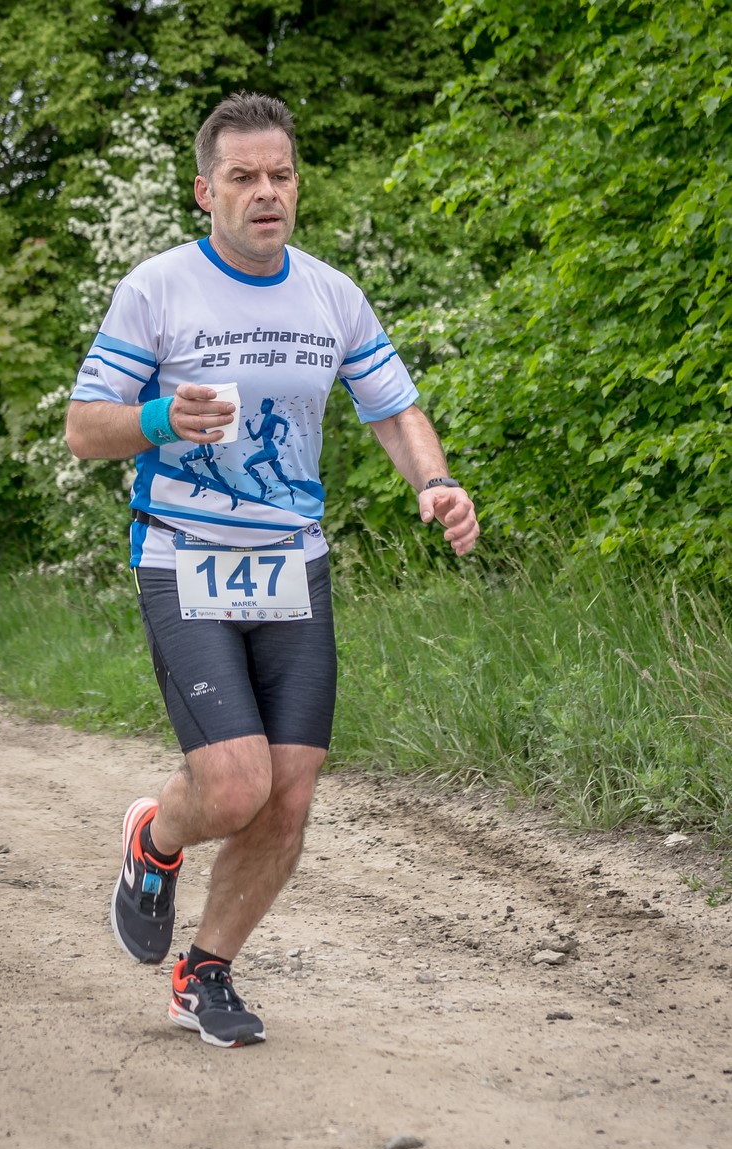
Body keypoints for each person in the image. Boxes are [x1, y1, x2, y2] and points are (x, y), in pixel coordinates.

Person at [65, 91, 479, 1049]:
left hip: (294, 564)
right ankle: (154, 839)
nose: (265, 192)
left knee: (288, 795)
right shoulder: (157, 289)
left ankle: (204, 974)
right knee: (234, 786)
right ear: (204, 191)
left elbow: (393, 408)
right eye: (243, 177)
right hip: (183, 557)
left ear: (298, 185)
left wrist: (437, 481)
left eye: (280, 175)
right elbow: (85, 429)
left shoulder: (331, 294)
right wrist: (161, 418)